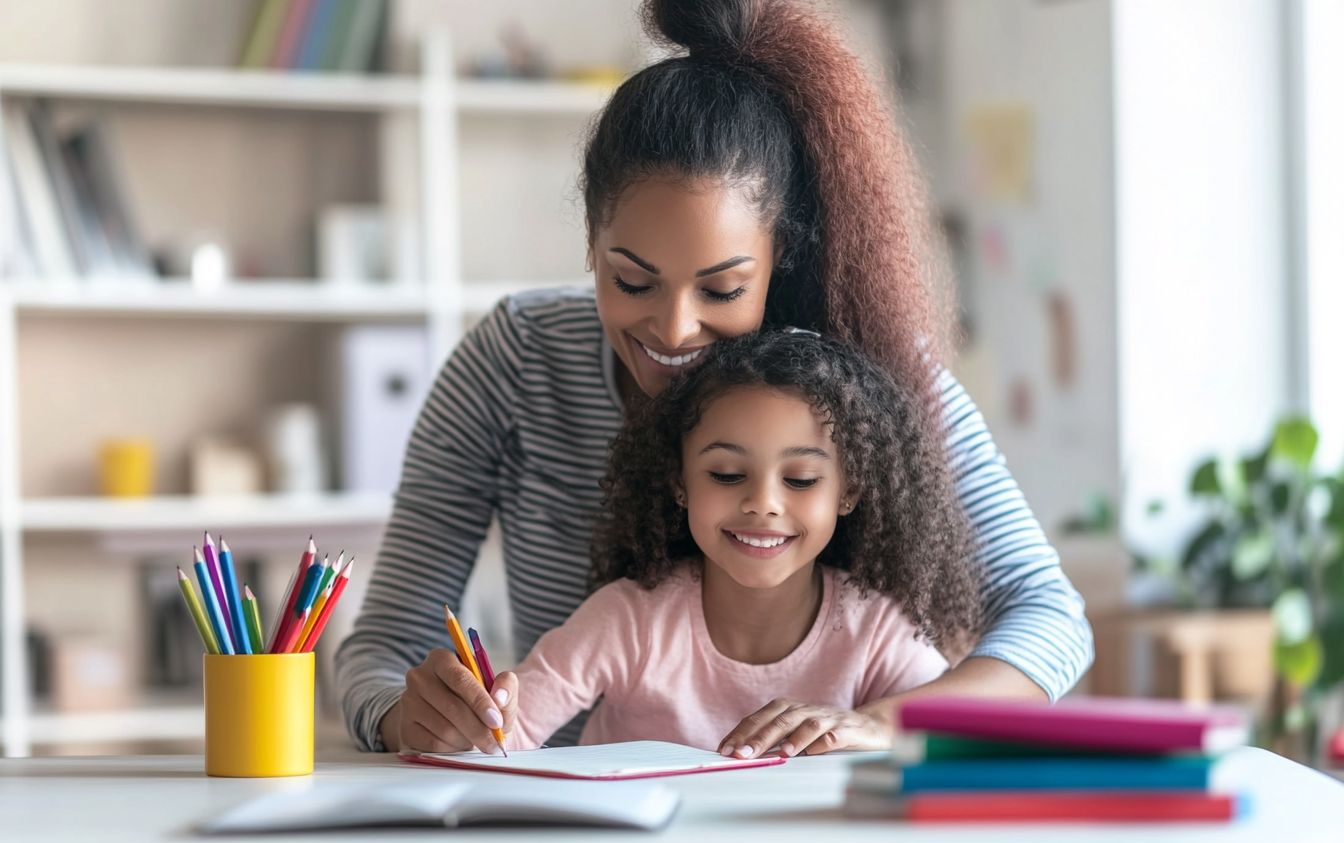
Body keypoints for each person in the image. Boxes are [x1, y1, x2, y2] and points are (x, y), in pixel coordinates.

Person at [336, 0, 1093, 756]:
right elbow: (379, 651)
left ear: (779, 258)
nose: (673, 329)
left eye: (722, 291)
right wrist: (409, 713)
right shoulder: (515, 360)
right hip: (575, 819)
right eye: (632, 281)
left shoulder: (861, 376)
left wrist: (885, 720)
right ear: (593, 242)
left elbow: (1050, 619)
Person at [483, 329, 980, 756]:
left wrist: (885, 729)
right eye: (726, 474)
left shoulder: (873, 629)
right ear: (680, 481)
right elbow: (498, 741)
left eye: (802, 479)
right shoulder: (627, 622)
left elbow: (962, 739)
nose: (763, 503)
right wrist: (471, 715)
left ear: (848, 491)